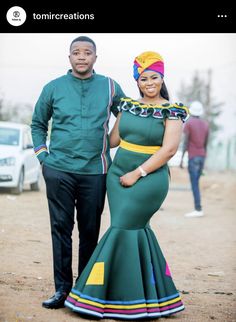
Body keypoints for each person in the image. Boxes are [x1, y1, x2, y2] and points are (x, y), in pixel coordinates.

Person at [65, 51, 189, 319]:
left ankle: (101, 296)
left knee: (122, 227)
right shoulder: (129, 106)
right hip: (117, 177)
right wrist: (82, 124)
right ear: (137, 81)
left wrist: (138, 173)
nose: (149, 82)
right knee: (133, 230)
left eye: (154, 77)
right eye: (144, 78)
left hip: (149, 180)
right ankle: (155, 295)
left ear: (162, 77)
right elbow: (112, 140)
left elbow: (168, 151)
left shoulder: (173, 111)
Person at [31, 36, 125, 309]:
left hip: (96, 171)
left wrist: (117, 140)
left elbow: (128, 114)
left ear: (96, 57)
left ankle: (84, 291)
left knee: (89, 230)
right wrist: (43, 158)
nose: (81, 56)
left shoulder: (110, 86)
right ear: (69, 57)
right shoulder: (53, 87)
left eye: (87, 52)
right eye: (76, 52)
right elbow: (37, 123)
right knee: (61, 229)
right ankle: (62, 290)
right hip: (59, 169)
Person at [180, 101, 209, 218]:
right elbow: (206, 144)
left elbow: (186, 142)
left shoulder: (189, 123)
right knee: (196, 182)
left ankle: (198, 208)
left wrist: (182, 159)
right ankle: (198, 207)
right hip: (202, 156)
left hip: (193, 157)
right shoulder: (206, 124)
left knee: (194, 184)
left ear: (191, 111)